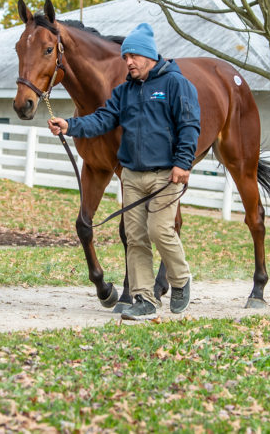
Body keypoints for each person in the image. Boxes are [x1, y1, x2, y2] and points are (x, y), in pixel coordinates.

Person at [48, 22, 201, 321]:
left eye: (133, 56)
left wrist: (183, 163)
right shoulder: (124, 92)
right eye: (125, 57)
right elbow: (103, 119)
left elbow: (189, 126)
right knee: (135, 238)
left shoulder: (176, 85)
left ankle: (180, 279)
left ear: (148, 56)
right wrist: (71, 125)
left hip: (164, 176)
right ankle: (144, 298)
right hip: (131, 174)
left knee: (159, 231)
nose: (127, 62)